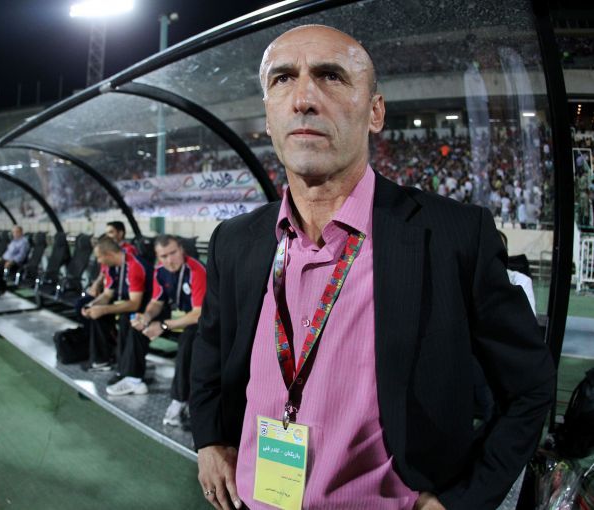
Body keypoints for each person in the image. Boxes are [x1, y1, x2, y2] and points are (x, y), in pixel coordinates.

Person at [190, 25, 555, 510]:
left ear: (375, 112)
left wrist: (462, 500)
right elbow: (211, 350)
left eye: (331, 76)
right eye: (283, 79)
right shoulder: (235, 241)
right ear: (269, 114)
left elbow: (529, 387)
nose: (303, 99)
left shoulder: (452, 236)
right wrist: (210, 438)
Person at [107, 235, 206, 427]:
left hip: (199, 320)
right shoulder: (159, 271)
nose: (169, 260)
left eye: (173, 253)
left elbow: (198, 314)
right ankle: (133, 379)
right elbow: (156, 302)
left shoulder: (196, 270)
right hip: (177, 317)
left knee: (188, 340)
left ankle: (180, 399)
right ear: (158, 257)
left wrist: (163, 326)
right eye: (163, 256)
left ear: (182, 250)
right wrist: (146, 317)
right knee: (137, 326)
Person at [81, 235, 151, 372]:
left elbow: (135, 304)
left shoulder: (134, 266)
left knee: (126, 319)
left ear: (109, 254)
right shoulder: (112, 267)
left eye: (99, 257)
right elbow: (107, 294)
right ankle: (101, 360)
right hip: (127, 302)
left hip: (145, 304)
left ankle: (124, 368)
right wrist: (92, 305)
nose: (98, 261)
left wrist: (103, 309)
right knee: (96, 314)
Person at [86, 221, 138, 298]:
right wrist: (96, 284)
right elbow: (103, 272)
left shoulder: (129, 250)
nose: (107, 236)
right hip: (107, 288)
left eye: (110, 232)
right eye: (106, 233)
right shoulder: (105, 250)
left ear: (120, 234)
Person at [0, 225, 29, 298]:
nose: (15, 234)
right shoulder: (14, 241)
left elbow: (21, 255)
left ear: (21, 232)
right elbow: (8, 252)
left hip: (13, 263)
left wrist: (11, 262)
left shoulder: (23, 242)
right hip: (4, 260)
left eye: (17, 232)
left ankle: (0, 290)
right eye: (13, 232)